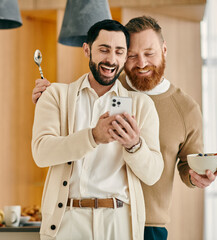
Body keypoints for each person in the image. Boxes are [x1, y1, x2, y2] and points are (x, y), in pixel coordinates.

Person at [32, 16, 217, 240]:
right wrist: (51, 101)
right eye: (132, 55)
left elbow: (183, 165)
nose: (141, 63)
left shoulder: (170, 107)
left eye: (149, 53)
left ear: (163, 50)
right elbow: (46, 147)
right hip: (72, 219)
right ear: (88, 50)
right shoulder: (77, 89)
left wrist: (195, 175)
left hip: (137, 221)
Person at [31, 19, 163, 240]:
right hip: (68, 221)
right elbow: (41, 153)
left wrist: (134, 146)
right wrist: (93, 136)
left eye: (119, 51)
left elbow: (152, 174)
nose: (111, 59)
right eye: (104, 49)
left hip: (119, 222)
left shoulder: (141, 105)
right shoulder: (56, 95)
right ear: (87, 49)